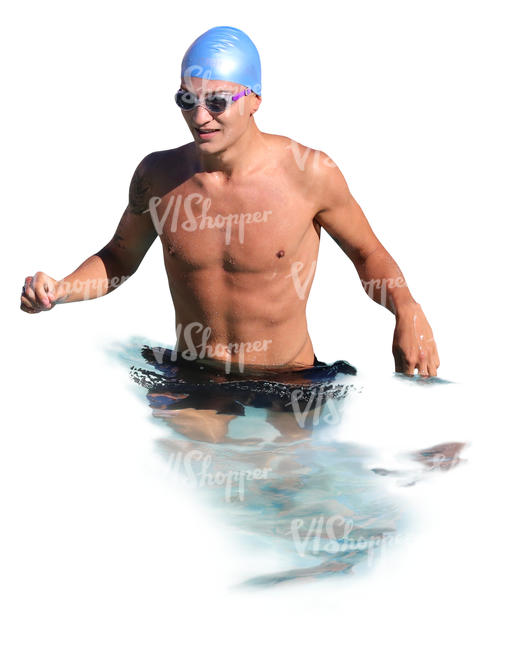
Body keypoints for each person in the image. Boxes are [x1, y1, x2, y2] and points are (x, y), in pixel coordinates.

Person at [20, 25, 439, 400]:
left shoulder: (309, 173)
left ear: (254, 99)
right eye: (187, 100)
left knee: (295, 486)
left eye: (217, 102)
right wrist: (61, 289)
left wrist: (407, 308)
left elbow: (367, 253)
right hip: (193, 375)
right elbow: (119, 257)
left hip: (289, 380)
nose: (200, 117)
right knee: (184, 481)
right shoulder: (157, 175)